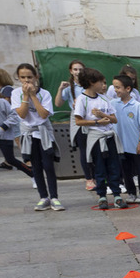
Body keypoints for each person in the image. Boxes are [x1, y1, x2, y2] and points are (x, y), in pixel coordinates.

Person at [12, 63, 64, 211]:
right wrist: (26, 96)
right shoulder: (16, 94)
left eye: (29, 77)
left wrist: (33, 95)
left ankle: (54, 197)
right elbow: (21, 114)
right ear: (18, 78)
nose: (26, 80)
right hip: (28, 133)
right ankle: (43, 197)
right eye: (23, 77)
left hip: (43, 133)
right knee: (36, 167)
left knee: (48, 165)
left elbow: (43, 114)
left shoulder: (45, 94)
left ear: (36, 77)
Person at [74, 68, 126, 209]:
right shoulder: (82, 99)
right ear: (91, 82)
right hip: (96, 137)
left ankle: (116, 194)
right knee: (99, 167)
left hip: (109, 136)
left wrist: (103, 115)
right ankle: (102, 195)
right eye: (101, 83)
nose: (104, 86)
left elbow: (114, 119)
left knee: (114, 166)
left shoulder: (104, 98)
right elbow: (78, 121)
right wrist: (96, 122)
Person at [54, 59, 94, 191]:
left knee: (95, 148)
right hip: (78, 118)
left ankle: (99, 176)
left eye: (80, 69)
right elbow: (58, 104)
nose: (78, 72)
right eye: (75, 69)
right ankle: (89, 178)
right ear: (71, 71)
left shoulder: (89, 84)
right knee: (83, 149)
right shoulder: (69, 87)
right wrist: (60, 89)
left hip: (91, 116)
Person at [113, 74, 140, 204]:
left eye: (118, 87)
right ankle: (131, 193)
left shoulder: (136, 105)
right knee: (126, 170)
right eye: (114, 87)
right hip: (121, 145)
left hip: (135, 144)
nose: (116, 90)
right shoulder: (113, 104)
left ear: (128, 88)